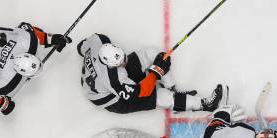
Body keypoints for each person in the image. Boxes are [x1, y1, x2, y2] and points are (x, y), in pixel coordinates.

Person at [76, 33, 225, 114]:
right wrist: (155, 72)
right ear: (110, 66)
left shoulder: (98, 40)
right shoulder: (113, 79)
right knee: (159, 96)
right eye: (120, 64)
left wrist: (156, 68)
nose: (124, 63)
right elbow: (142, 92)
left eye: (123, 57)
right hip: (111, 98)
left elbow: (80, 47)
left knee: (151, 54)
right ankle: (205, 104)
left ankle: (172, 88)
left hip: (104, 79)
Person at [0, 22, 71, 114]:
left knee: (15, 35)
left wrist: (51, 39)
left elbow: (25, 27)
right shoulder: (4, 80)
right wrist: (1, 104)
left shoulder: (28, 41)